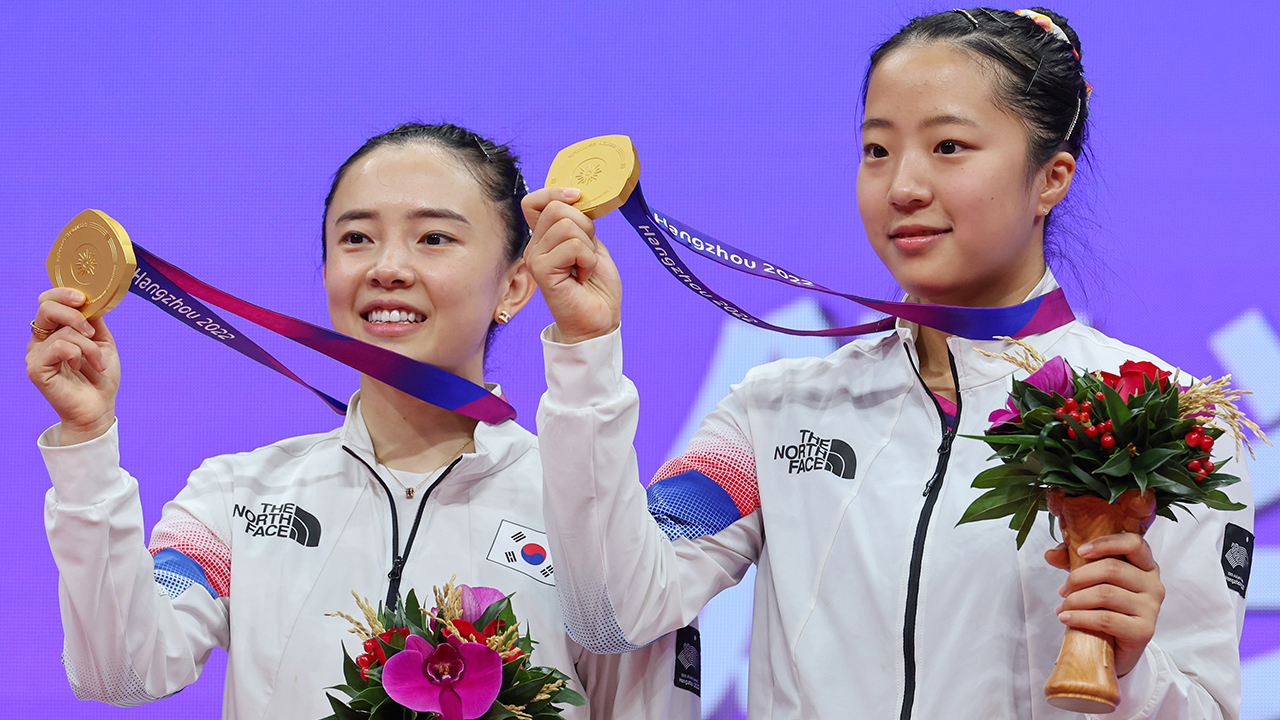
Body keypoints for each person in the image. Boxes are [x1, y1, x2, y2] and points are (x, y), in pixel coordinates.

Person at [523, 8, 1251, 719]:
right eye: (877, 150)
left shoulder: (1163, 420)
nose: (902, 186)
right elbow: (614, 611)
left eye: (949, 147)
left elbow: (1208, 707)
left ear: (1051, 177)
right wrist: (586, 351)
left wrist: (1133, 671)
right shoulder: (777, 412)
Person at [27, 123, 697, 719]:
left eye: (433, 238)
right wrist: (85, 446)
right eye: (357, 238)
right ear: (325, 272)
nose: (387, 268)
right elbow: (119, 674)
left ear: (516, 286)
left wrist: (585, 348)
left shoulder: (592, 518)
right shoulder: (240, 497)